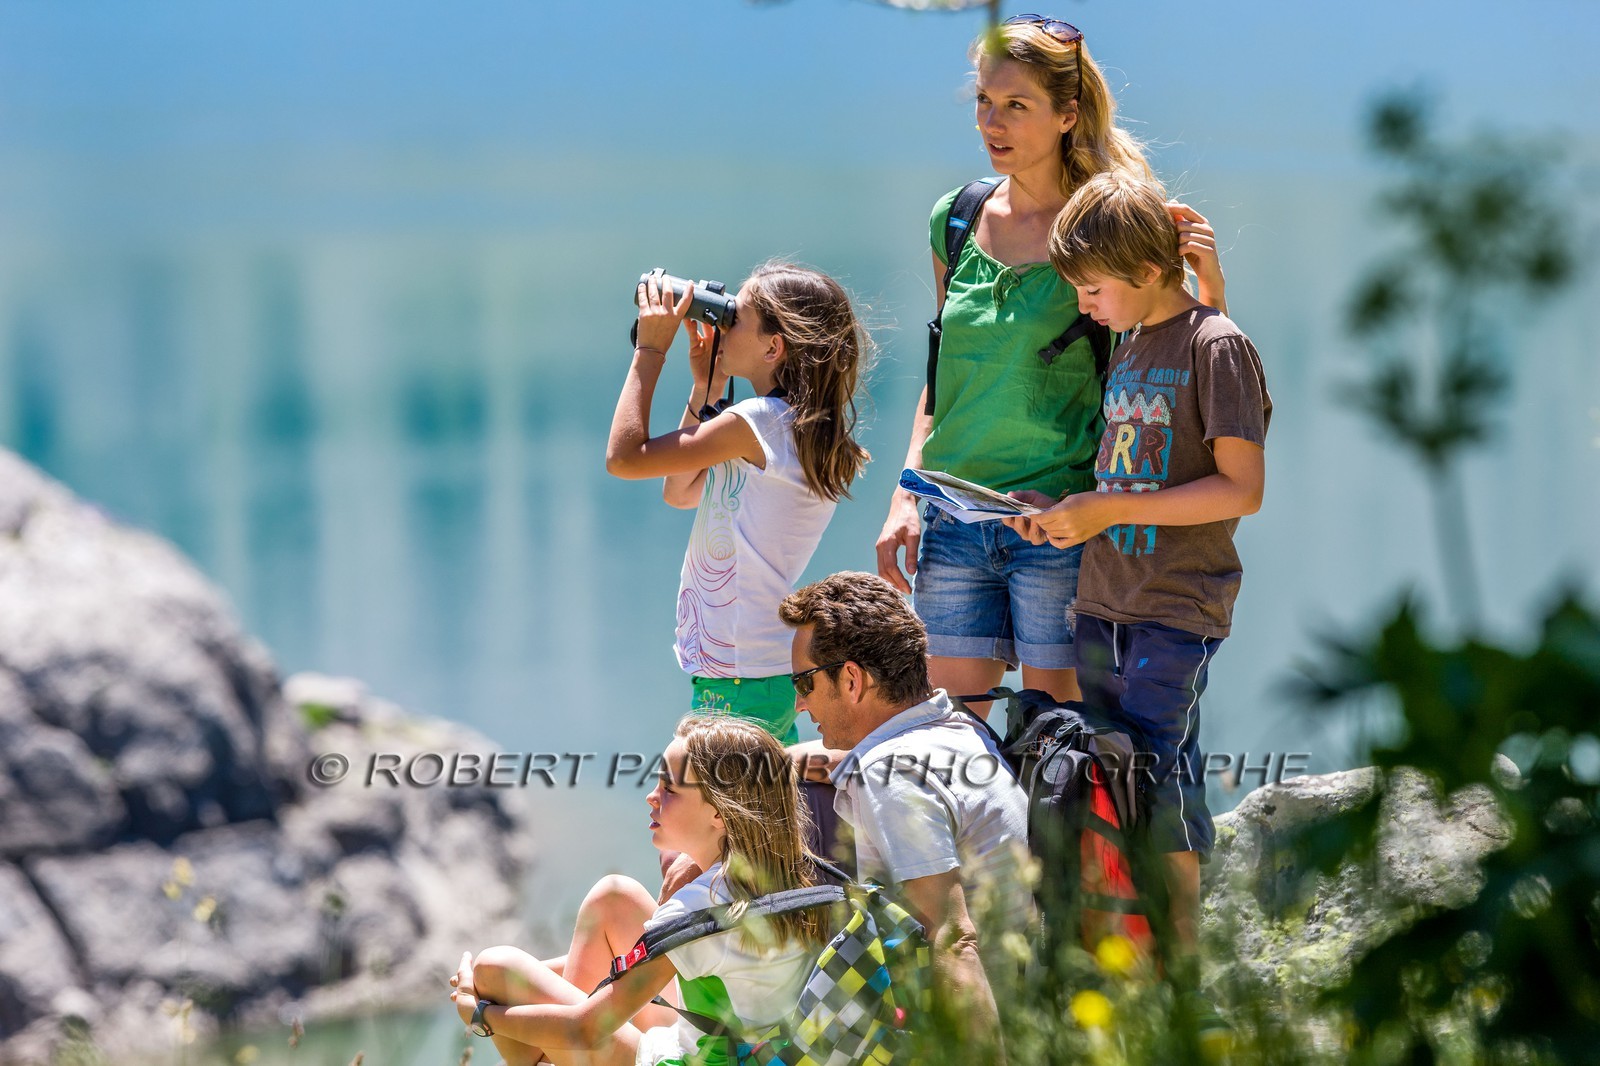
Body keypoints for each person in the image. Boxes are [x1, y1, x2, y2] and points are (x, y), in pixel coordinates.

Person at [875, 14, 1229, 714]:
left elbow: (1177, 350)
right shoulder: (957, 215)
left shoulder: (1107, 223)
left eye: (1016, 105)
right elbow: (944, 372)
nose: (991, 122)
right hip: (952, 517)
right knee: (952, 751)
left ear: (1068, 113)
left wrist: (1211, 283)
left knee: (1057, 749)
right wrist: (903, 499)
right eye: (983, 100)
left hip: (1059, 523)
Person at [1004, 172, 1271, 968]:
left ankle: (1181, 965)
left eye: (1092, 288)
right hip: (1105, 602)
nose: (1083, 304)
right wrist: (1062, 505)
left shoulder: (1213, 345)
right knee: (1110, 774)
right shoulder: (1132, 344)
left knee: (1159, 775)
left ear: (1150, 272)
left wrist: (1107, 512)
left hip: (1173, 608)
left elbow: (1241, 489)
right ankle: (1123, 939)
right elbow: (1130, 476)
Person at [450, 716, 826, 1066]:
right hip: (743, 1047)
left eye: (670, 788)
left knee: (495, 967)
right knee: (615, 898)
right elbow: (643, 964)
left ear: (719, 814)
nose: (652, 796)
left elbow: (585, 1030)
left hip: (699, 1058)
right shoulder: (792, 874)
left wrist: (482, 1013)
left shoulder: (698, 910)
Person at [609, 263, 870, 745]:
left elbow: (624, 458)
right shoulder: (784, 425)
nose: (723, 325)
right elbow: (680, 491)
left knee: (737, 814)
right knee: (757, 812)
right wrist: (705, 388)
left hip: (741, 670)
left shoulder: (760, 423)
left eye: (737, 318)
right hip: (750, 665)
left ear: (774, 347)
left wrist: (651, 349)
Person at [779, 571, 1032, 1062]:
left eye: (804, 682)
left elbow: (954, 938)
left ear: (852, 679)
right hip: (1025, 985)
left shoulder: (889, 778)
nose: (799, 701)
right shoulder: (957, 728)